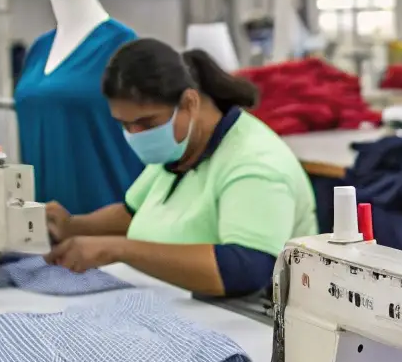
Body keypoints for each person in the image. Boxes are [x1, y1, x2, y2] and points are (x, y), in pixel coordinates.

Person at [43, 38, 317, 297]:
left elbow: (246, 270)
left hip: (250, 322)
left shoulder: (256, 162)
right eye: (124, 125)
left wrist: (117, 249)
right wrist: (70, 226)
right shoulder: (179, 147)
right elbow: (133, 214)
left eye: (146, 123)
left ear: (189, 103)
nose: (135, 134)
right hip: (179, 303)